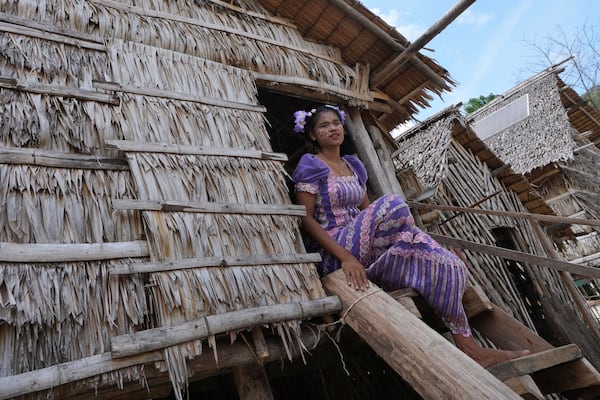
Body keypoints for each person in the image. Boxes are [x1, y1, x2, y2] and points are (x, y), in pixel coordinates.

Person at [291, 104, 530, 368]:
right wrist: (346, 258)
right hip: (336, 249)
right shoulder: (311, 165)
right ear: (313, 135)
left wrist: (423, 244)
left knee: (449, 265)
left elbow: (368, 212)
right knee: (393, 204)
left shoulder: (353, 165)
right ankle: (386, 258)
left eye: (336, 123)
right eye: (324, 126)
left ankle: (470, 347)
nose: (333, 128)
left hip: (366, 244)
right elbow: (306, 218)